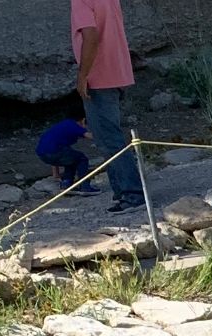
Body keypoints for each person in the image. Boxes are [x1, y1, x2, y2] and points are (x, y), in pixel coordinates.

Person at [70, 0, 144, 213]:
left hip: (99, 77)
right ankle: (123, 194)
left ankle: (132, 195)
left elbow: (90, 37)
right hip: (117, 72)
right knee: (108, 137)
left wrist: (82, 75)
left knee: (109, 140)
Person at [34, 104, 101, 197]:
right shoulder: (73, 125)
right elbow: (89, 136)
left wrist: (56, 174)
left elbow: (53, 151)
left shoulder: (63, 125)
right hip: (54, 152)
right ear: (83, 120)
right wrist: (106, 138)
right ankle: (85, 186)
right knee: (82, 159)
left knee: (71, 159)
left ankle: (66, 185)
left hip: (42, 153)